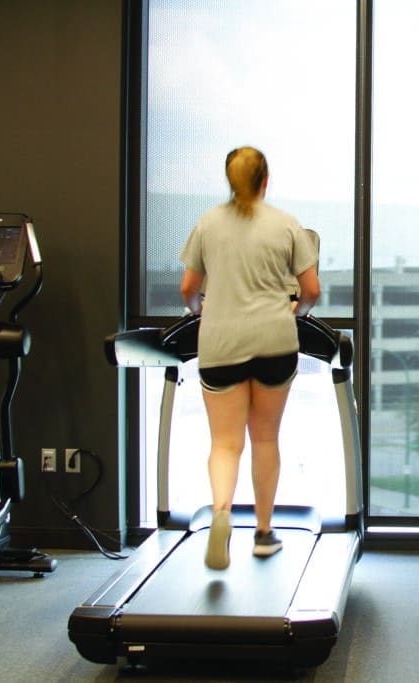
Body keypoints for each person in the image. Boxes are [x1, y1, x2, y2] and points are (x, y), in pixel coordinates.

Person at [180, 146, 320, 570]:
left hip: (220, 342)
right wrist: (296, 312)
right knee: (264, 439)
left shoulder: (207, 224)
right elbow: (310, 290)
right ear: (265, 179)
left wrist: (200, 310)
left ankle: (222, 515)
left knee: (225, 443)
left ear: (229, 179)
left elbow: (188, 287)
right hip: (274, 341)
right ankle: (263, 533)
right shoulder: (286, 225)